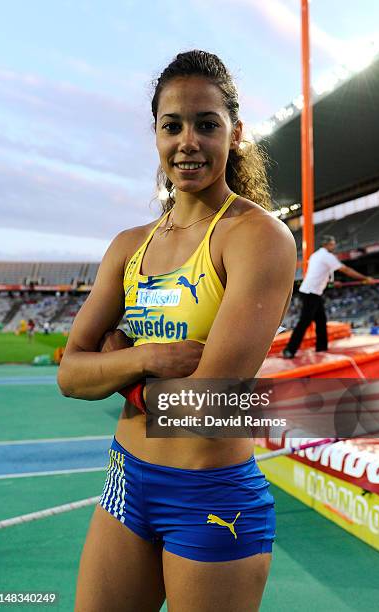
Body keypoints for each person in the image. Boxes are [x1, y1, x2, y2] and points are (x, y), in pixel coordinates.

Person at [58, 50, 296, 611]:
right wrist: (146, 360)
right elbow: (70, 374)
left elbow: (211, 403)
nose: (188, 141)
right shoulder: (129, 245)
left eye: (207, 125)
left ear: (235, 134)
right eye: (173, 125)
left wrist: (115, 371)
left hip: (211, 497)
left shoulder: (256, 238)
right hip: (125, 482)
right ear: (157, 135)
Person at [283, 235, 373, 358]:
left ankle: (321, 347)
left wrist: (331, 283)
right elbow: (345, 270)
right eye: (333, 243)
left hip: (313, 292)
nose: (334, 246)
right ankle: (290, 350)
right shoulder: (327, 256)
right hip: (311, 292)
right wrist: (365, 278)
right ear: (327, 244)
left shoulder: (316, 255)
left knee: (321, 320)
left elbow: (319, 272)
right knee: (304, 322)